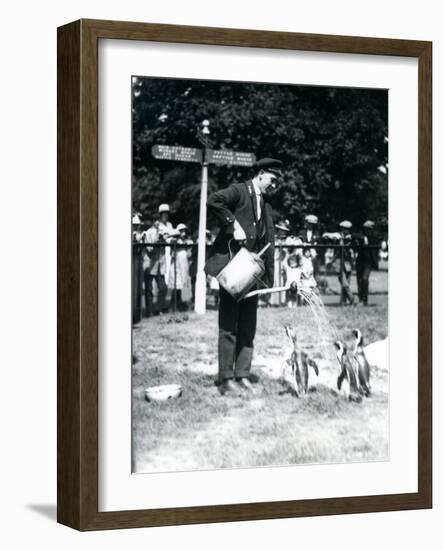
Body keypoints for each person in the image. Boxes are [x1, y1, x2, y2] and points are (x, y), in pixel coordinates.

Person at [205, 158, 283, 395]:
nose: (274, 185)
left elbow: (267, 239)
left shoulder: (265, 202)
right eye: (272, 179)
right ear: (260, 174)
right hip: (233, 270)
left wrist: (267, 277)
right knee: (229, 323)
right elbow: (213, 200)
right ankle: (226, 378)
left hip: (252, 273)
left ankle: (243, 374)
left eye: (277, 181)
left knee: (248, 324)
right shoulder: (239, 190)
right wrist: (233, 224)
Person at [143, 204, 174, 316]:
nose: (156, 223)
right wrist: (158, 239)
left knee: (163, 288)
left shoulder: (166, 228)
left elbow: (168, 240)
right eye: (155, 221)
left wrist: (167, 239)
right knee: (149, 289)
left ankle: (158, 308)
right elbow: (150, 249)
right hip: (150, 265)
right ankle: (149, 310)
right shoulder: (148, 233)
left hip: (160, 264)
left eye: (167, 213)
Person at [168, 223, 193, 311]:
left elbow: (189, 255)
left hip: (184, 265)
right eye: (181, 231)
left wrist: (188, 247)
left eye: (184, 231)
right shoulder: (174, 240)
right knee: (175, 284)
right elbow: (171, 242)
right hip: (176, 264)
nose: (183, 233)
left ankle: (184, 304)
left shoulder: (187, 241)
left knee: (185, 283)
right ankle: (173, 305)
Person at [355, 220, 379, 305]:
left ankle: (364, 299)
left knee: (365, 279)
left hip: (368, 263)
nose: (367, 231)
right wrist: (362, 238)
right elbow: (354, 235)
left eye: (369, 229)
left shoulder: (374, 238)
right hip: (360, 261)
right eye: (365, 229)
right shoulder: (361, 236)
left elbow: (380, 239)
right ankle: (361, 299)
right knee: (359, 280)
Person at [337, 220, 355, 306]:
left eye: (346, 229)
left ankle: (348, 299)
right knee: (343, 281)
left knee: (346, 282)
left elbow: (349, 249)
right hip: (341, 261)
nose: (344, 231)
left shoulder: (350, 238)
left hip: (347, 262)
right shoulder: (340, 237)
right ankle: (346, 299)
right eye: (343, 229)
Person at [299, 214, 320, 280]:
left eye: (312, 224)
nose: (311, 226)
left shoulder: (316, 234)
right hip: (303, 253)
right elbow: (300, 241)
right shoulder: (302, 232)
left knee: (312, 267)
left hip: (312, 254)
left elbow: (317, 244)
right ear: (307, 224)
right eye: (309, 224)